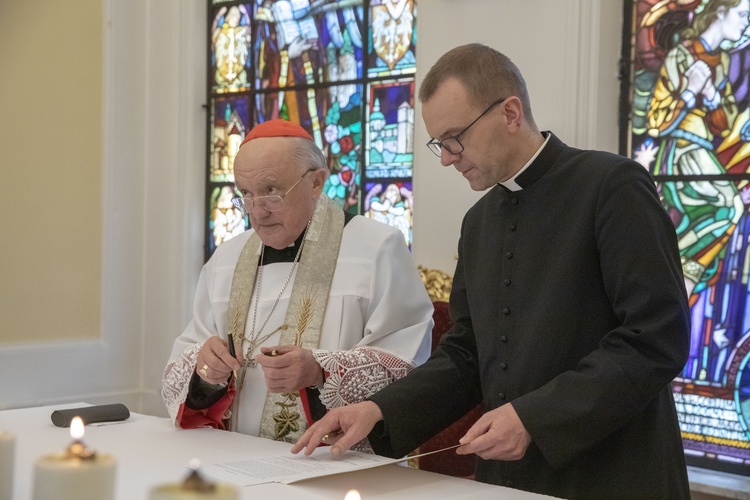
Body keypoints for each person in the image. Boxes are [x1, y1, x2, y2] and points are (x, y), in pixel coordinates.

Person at [292, 43, 692, 499]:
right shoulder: (478, 222)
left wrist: (535, 418)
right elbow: (466, 355)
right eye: (439, 143)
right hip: (507, 479)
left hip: (613, 474)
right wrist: (379, 409)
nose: (446, 157)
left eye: (454, 137)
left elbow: (656, 337)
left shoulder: (611, 186)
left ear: (510, 112)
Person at [162, 119, 433, 447]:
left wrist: (320, 371)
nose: (257, 212)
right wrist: (205, 371)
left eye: (271, 192)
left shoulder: (376, 249)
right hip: (234, 461)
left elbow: (409, 366)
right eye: (245, 195)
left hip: (333, 465)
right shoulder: (226, 258)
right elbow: (187, 358)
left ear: (317, 182)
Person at [646, 0, 749, 299]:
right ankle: (674, 268)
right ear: (719, 11)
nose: (746, 23)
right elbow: (657, 121)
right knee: (730, 207)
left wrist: (712, 95)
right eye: (742, 15)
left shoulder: (723, 62)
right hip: (680, 153)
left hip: (702, 151)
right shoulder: (682, 54)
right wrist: (690, 92)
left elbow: (725, 124)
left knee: (725, 212)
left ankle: (674, 272)